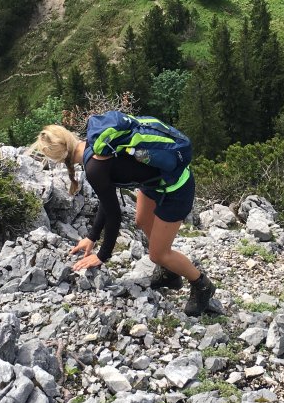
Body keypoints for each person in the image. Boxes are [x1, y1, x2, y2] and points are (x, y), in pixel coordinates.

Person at [31, 120, 217, 316]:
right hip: (154, 182)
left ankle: (202, 285)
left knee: (158, 254)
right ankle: (170, 274)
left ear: (57, 158)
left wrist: (102, 256)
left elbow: (114, 215)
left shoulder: (94, 167)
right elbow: (107, 200)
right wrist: (92, 237)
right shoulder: (93, 143)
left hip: (176, 188)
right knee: (142, 221)